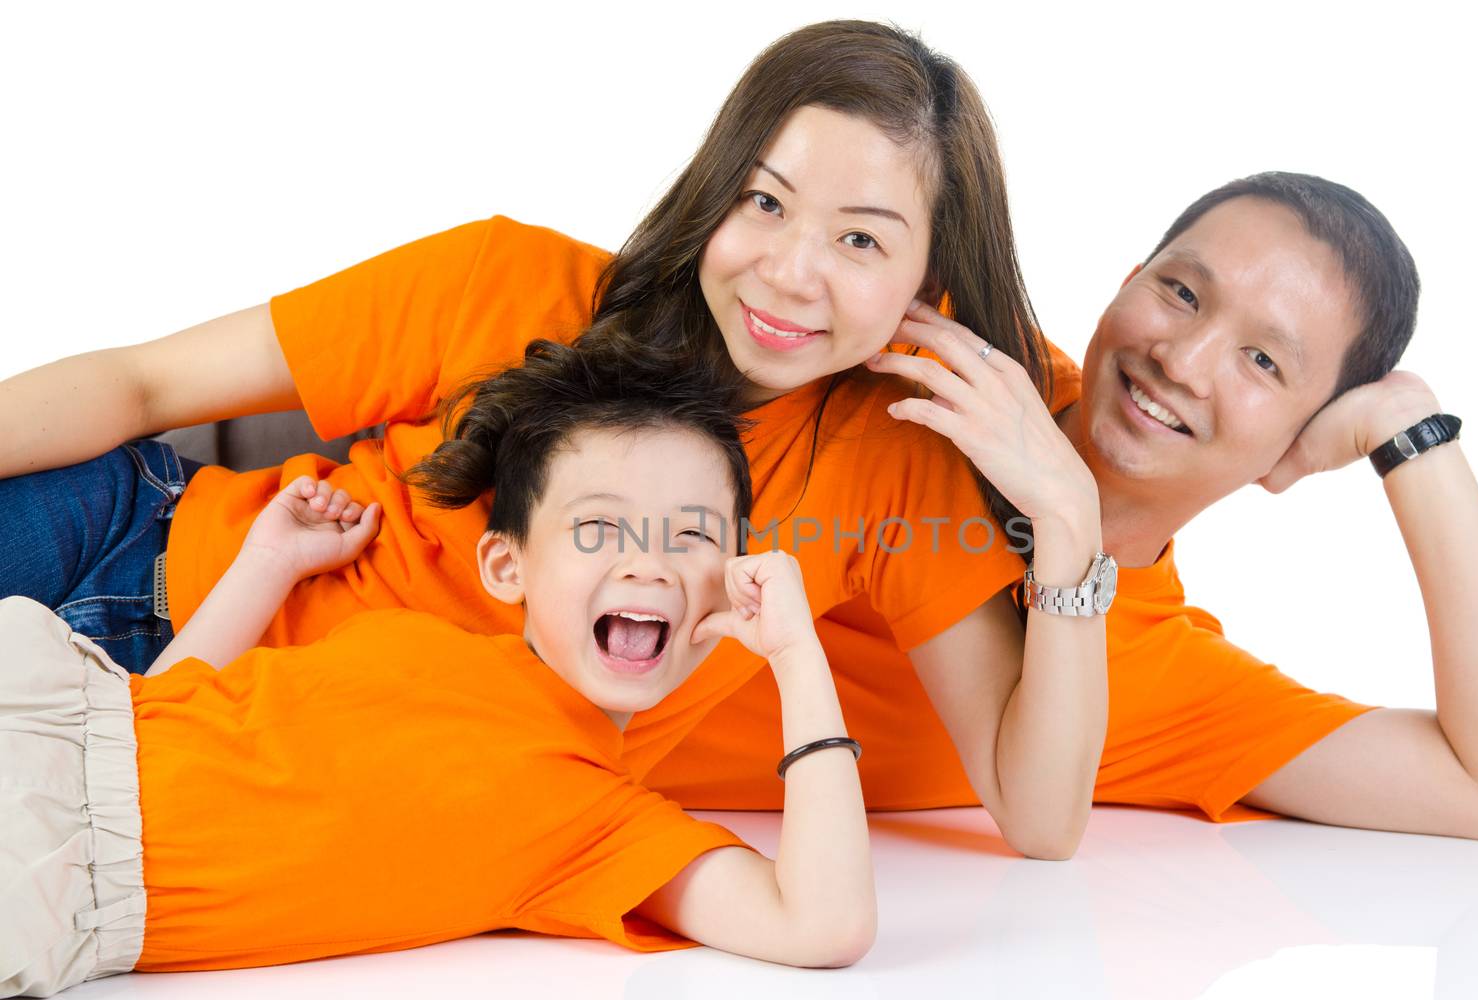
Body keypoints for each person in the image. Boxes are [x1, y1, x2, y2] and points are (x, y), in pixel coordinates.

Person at [0, 21, 1103, 859]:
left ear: (931, 282)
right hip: (138, 546)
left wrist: (1067, 522)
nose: (789, 269)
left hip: (219, 752)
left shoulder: (884, 466)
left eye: (861, 239)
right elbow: (142, 383)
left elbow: (1041, 819)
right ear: (714, 190)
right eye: (764, 204)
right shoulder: (513, 279)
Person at [647, 172, 1478, 844]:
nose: (1181, 361)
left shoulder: (1159, 677)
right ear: (1124, 283)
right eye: (1180, 292)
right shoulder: (917, 346)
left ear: (1296, 446)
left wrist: (1413, 436)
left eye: (1264, 362)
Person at [0, 343, 876, 1000]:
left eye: (690, 536)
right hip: (52, 699)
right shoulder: (413, 641)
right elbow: (160, 708)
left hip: (46, 870)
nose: (648, 565)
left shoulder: (596, 823)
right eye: (600, 529)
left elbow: (822, 923)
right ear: (506, 568)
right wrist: (265, 565)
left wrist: (797, 658)